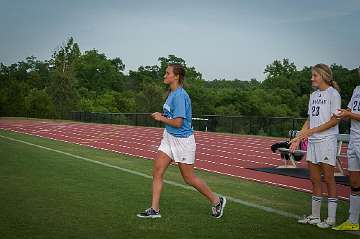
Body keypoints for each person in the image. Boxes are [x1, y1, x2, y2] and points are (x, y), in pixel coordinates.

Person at [137, 63, 226, 219]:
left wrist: (161, 118)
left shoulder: (179, 95)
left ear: (176, 76)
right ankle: (154, 209)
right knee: (157, 171)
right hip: (169, 138)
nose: (164, 76)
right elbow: (171, 118)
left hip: (183, 141)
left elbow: (178, 123)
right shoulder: (172, 93)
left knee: (189, 178)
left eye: (167, 73)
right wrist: (163, 116)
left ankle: (217, 200)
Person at [290, 64, 341, 228]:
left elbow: (335, 120)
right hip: (313, 142)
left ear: (324, 76)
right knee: (314, 179)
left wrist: (311, 131)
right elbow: (309, 119)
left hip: (327, 140)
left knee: (328, 178)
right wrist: (299, 137)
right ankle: (315, 216)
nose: (312, 78)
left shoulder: (334, 94)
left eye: (314, 76)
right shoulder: (313, 95)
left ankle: (331, 218)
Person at [333, 66, 360, 231]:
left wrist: (349, 115)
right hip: (354, 139)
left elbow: (352, 114)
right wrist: (343, 112)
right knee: (355, 182)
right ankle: (353, 220)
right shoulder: (357, 89)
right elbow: (351, 110)